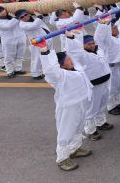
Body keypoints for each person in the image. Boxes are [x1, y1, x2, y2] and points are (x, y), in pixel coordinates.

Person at [39, 42, 93, 171]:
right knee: (66, 132)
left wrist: (71, 37)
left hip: (81, 103)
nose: (70, 60)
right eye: (67, 60)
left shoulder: (75, 68)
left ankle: (75, 149)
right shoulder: (59, 76)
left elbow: (75, 50)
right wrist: (45, 51)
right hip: (68, 107)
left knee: (78, 127)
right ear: (61, 65)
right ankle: (62, 158)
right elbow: (50, 70)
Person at [65, 28, 114, 141]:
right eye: (88, 44)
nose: (92, 45)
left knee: (102, 104)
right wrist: (71, 37)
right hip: (94, 86)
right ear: (82, 45)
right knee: (92, 108)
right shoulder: (81, 55)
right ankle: (90, 130)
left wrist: (103, 24)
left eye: (93, 43)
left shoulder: (99, 50)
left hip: (105, 82)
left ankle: (101, 123)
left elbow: (102, 37)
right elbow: (73, 51)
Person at [17, 9, 50, 80]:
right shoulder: (22, 24)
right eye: (22, 17)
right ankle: (36, 74)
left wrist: (45, 13)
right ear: (19, 19)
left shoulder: (34, 18)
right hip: (37, 43)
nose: (25, 17)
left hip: (46, 39)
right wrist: (39, 16)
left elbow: (47, 20)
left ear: (28, 14)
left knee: (48, 56)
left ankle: (45, 71)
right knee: (36, 59)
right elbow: (34, 26)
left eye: (25, 14)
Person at [0, 6, 27, 78]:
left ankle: (18, 69)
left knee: (20, 55)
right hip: (8, 40)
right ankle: (10, 71)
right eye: (0, 12)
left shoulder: (13, 17)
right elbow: (8, 26)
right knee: (8, 57)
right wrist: (15, 17)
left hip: (20, 38)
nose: (3, 12)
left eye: (3, 10)